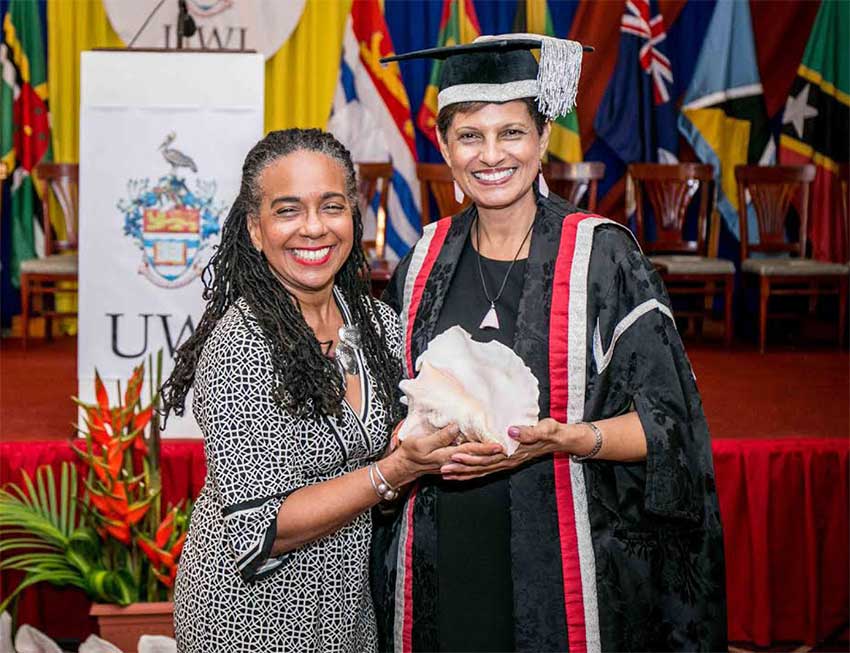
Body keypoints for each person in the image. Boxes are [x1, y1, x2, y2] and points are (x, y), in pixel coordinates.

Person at [372, 36, 727, 652]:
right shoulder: (421, 258)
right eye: (469, 136)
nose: (491, 155)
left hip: (564, 559)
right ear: (445, 149)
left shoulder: (604, 254)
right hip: (443, 551)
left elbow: (671, 428)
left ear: (541, 141)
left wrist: (571, 440)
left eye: (511, 132)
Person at [161, 129, 489, 653]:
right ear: (254, 229)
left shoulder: (378, 324)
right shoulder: (239, 346)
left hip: (346, 616)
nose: (313, 228)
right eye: (288, 210)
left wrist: (424, 446)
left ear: (353, 218)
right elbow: (260, 532)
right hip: (247, 620)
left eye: (331, 206)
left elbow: (372, 470)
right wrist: (396, 469)